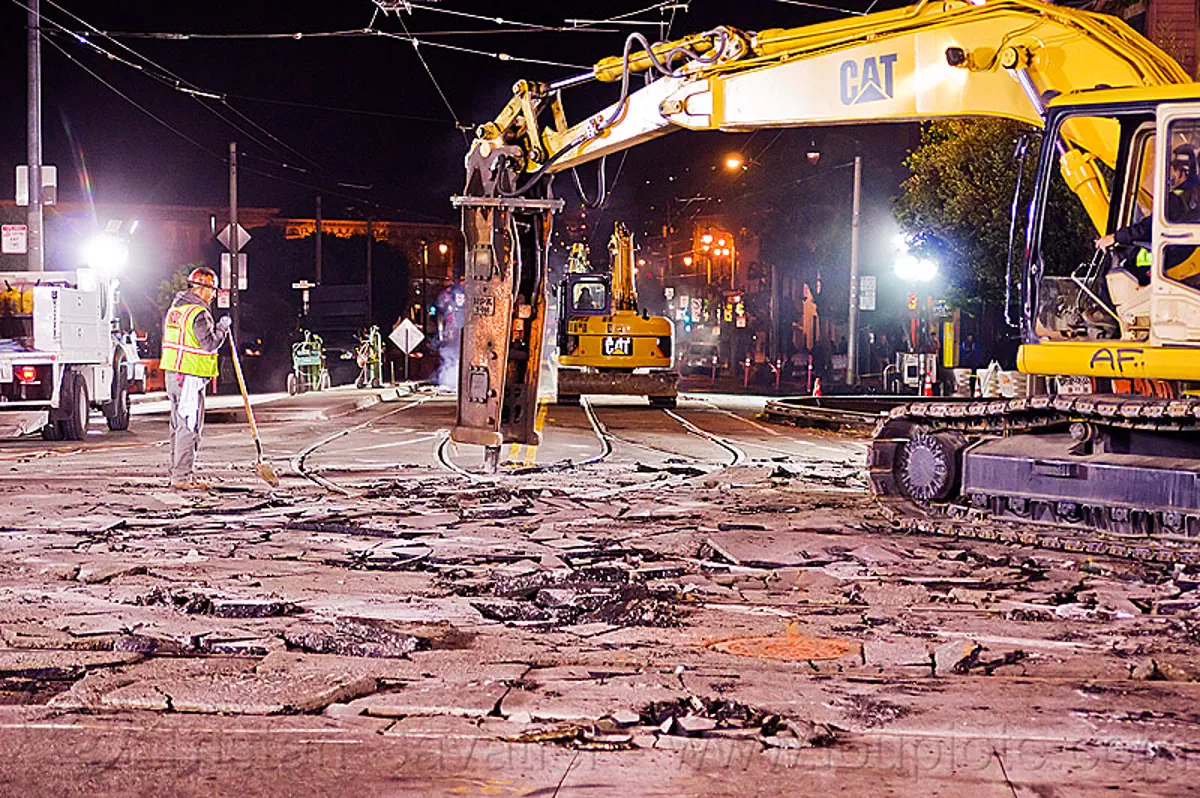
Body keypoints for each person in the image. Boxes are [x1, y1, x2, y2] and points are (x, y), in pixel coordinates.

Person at [161, 267, 230, 490]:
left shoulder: (176, 310)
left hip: (174, 374)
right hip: (189, 377)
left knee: (178, 426)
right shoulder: (198, 313)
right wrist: (222, 328)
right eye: (212, 290)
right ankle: (182, 477)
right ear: (202, 288)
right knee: (189, 427)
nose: (213, 295)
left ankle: (177, 473)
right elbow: (209, 344)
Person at [1096, 144, 1200, 260]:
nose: (1173, 176)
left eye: (1174, 171)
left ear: (1181, 173)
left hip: (1164, 258)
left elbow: (1149, 227)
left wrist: (1116, 237)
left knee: (1126, 258)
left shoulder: (1176, 199)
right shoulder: (1193, 196)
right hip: (1183, 254)